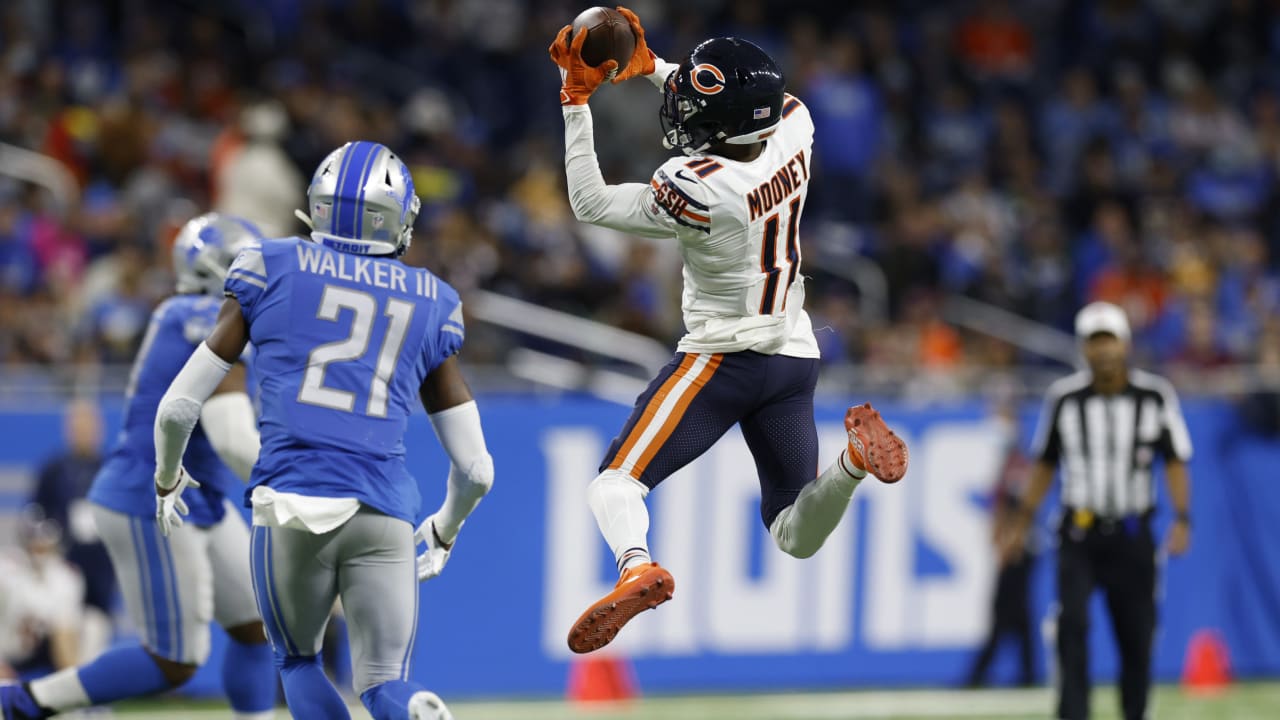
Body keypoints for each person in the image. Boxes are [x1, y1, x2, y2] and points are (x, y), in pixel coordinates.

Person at [549, 9, 909, 654]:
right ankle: (853, 465)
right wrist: (654, 67)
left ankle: (636, 565)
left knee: (616, 482)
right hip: (794, 352)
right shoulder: (795, 124)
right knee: (794, 534)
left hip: (722, 361)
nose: (681, 106)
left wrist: (576, 101)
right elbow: (736, 105)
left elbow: (590, 202)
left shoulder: (697, 187)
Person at [151, 141, 492, 720]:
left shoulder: (270, 263)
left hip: (290, 502)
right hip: (384, 508)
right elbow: (476, 469)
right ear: (398, 218)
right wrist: (444, 529)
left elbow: (179, 407)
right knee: (383, 681)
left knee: (297, 660)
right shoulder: (432, 299)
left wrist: (166, 477)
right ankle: (417, 709)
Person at [0, 213, 276, 719]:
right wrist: (288, 490)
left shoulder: (194, 313)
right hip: (157, 495)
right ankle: (21, 702)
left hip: (200, 496)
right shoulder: (205, 316)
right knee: (175, 661)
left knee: (259, 625)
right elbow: (233, 436)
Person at [1002, 301, 1193, 720]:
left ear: (1125, 344)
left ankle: (1135, 711)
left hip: (1132, 532)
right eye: (1095, 341)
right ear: (1083, 348)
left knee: (1137, 634)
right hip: (1079, 534)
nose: (1103, 350)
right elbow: (1045, 464)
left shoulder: (1154, 395)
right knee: (1072, 628)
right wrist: (1021, 521)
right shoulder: (1065, 398)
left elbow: (1175, 459)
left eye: (1109, 340)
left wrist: (1182, 518)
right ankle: (1073, 714)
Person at [31, 399, 114, 661]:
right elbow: (35, 512)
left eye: (87, 424)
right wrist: (49, 534)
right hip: (65, 559)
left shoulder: (110, 467)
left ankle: (91, 688)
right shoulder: (54, 470)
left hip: (102, 559)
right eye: (77, 424)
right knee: (65, 618)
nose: (83, 430)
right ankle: (70, 684)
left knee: (97, 623)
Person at [965, 394, 1036, 688]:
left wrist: (1011, 541)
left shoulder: (1017, 464)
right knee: (1016, 614)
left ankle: (980, 674)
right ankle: (1027, 673)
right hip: (1013, 546)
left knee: (1004, 611)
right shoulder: (1007, 462)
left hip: (1018, 547)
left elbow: (1020, 507)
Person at [0, 508, 84, 680]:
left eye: (44, 545)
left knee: (86, 625)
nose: (39, 550)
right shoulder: (7, 568)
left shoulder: (65, 577)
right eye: (34, 544)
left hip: (43, 656)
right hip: (7, 653)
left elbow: (66, 631)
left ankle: (74, 683)